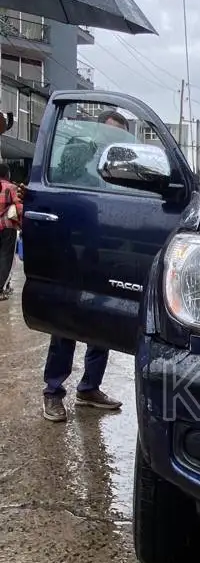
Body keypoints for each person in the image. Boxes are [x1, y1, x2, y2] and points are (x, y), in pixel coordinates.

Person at [41, 108, 128, 423]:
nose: (112, 140)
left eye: (118, 136)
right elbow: (62, 190)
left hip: (101, 247)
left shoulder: (123, 163)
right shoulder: (78, 152)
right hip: (70, 243)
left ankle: (89, 388)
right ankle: (53, 392)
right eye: (109, 133)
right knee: (66, 320)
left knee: (101, 319)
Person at [0, 162, 20, 301]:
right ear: (7, 174)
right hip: (7, 226)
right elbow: (19, 207)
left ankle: (4, 286)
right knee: (6, 257)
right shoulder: (11, 187)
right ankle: (1, 288)